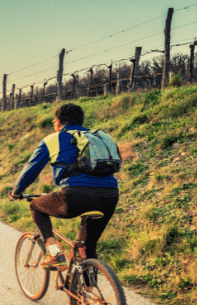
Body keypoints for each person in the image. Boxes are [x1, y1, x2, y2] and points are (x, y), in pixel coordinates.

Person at [9, 103, 119, 269]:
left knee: (36, 207)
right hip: (110, 197)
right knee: (88, 247)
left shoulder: (54, 139)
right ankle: (88, 291)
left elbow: (30, 171)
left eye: (54, 122)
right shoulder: (97, 139)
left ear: (58, 121)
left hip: (75, 196)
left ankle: (54, 253)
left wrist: (16, 192)